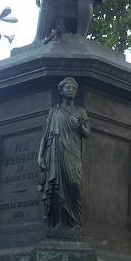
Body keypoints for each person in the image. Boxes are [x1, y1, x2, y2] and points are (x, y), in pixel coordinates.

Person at [37, 77, 90, 229]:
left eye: (73, 88)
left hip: (73, 152)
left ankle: (75, 220)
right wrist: (40, 156)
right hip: (55, 152)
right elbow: (45, 136)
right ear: (61, 91)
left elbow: (87, 133)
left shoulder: (81, 111)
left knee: (74, 183)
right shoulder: (54, 111)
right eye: (68, 87)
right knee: (57, 187)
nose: (71, 90)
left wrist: (81, 127)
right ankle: (61, 223)